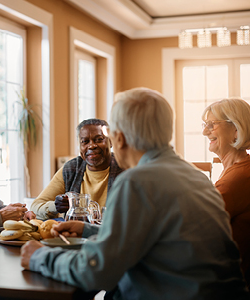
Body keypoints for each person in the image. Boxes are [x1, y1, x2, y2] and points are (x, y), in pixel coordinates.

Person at [21, 88, 249, 300]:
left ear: (118, 139)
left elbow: (97, 271)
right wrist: (88, 229)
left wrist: (39, 257)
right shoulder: (196, 176)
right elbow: (160, 239)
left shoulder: (136, 182)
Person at [30, 119, 123, 220]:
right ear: (80, 146)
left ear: (110, 142)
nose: (91, 146)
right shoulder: (71, 169)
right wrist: (55, 206)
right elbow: (35, 207)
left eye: (99, 139)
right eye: (85, 141)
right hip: (76, 234)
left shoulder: (125, 167)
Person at [202, 98, 250, 286]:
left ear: (236, 130)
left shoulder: (238, 177)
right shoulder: (236, 169)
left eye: (212, 125)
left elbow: (195, 224)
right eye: (206, 125)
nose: (205, 131)